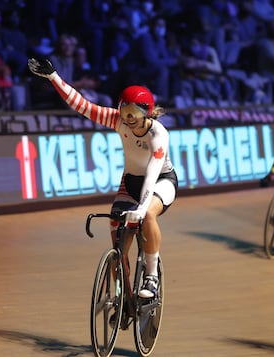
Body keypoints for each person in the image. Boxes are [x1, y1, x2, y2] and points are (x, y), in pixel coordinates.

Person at [28, 57, 178, 299]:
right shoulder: (118, 121)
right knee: (118, 246)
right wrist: (54, 77)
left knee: (148, 213)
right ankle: (121, 294)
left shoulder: (158, 134)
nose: (128, 119)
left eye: (134, 114)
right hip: (130, 183)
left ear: (148, 113)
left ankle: (151, 277)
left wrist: (141, 207)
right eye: (124, 111)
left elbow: (152, 170)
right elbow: (83, 106)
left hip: (161, 181)